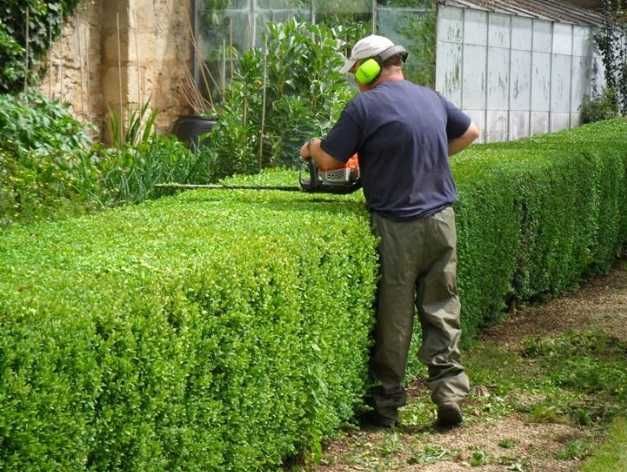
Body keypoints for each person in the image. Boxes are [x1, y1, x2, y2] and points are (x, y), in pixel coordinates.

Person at [299, 34, 480, 429]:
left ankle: (385, 408)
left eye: (356, 73)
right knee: (442, 308)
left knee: (395, 319)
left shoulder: (365, 106)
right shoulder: (430, 98)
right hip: (441, 221)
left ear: (368, 69)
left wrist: (312, 147)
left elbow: (330, 160)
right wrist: (425, 153)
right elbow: (470, 133)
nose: (355, 81)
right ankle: (449, 394)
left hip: (398, 225)